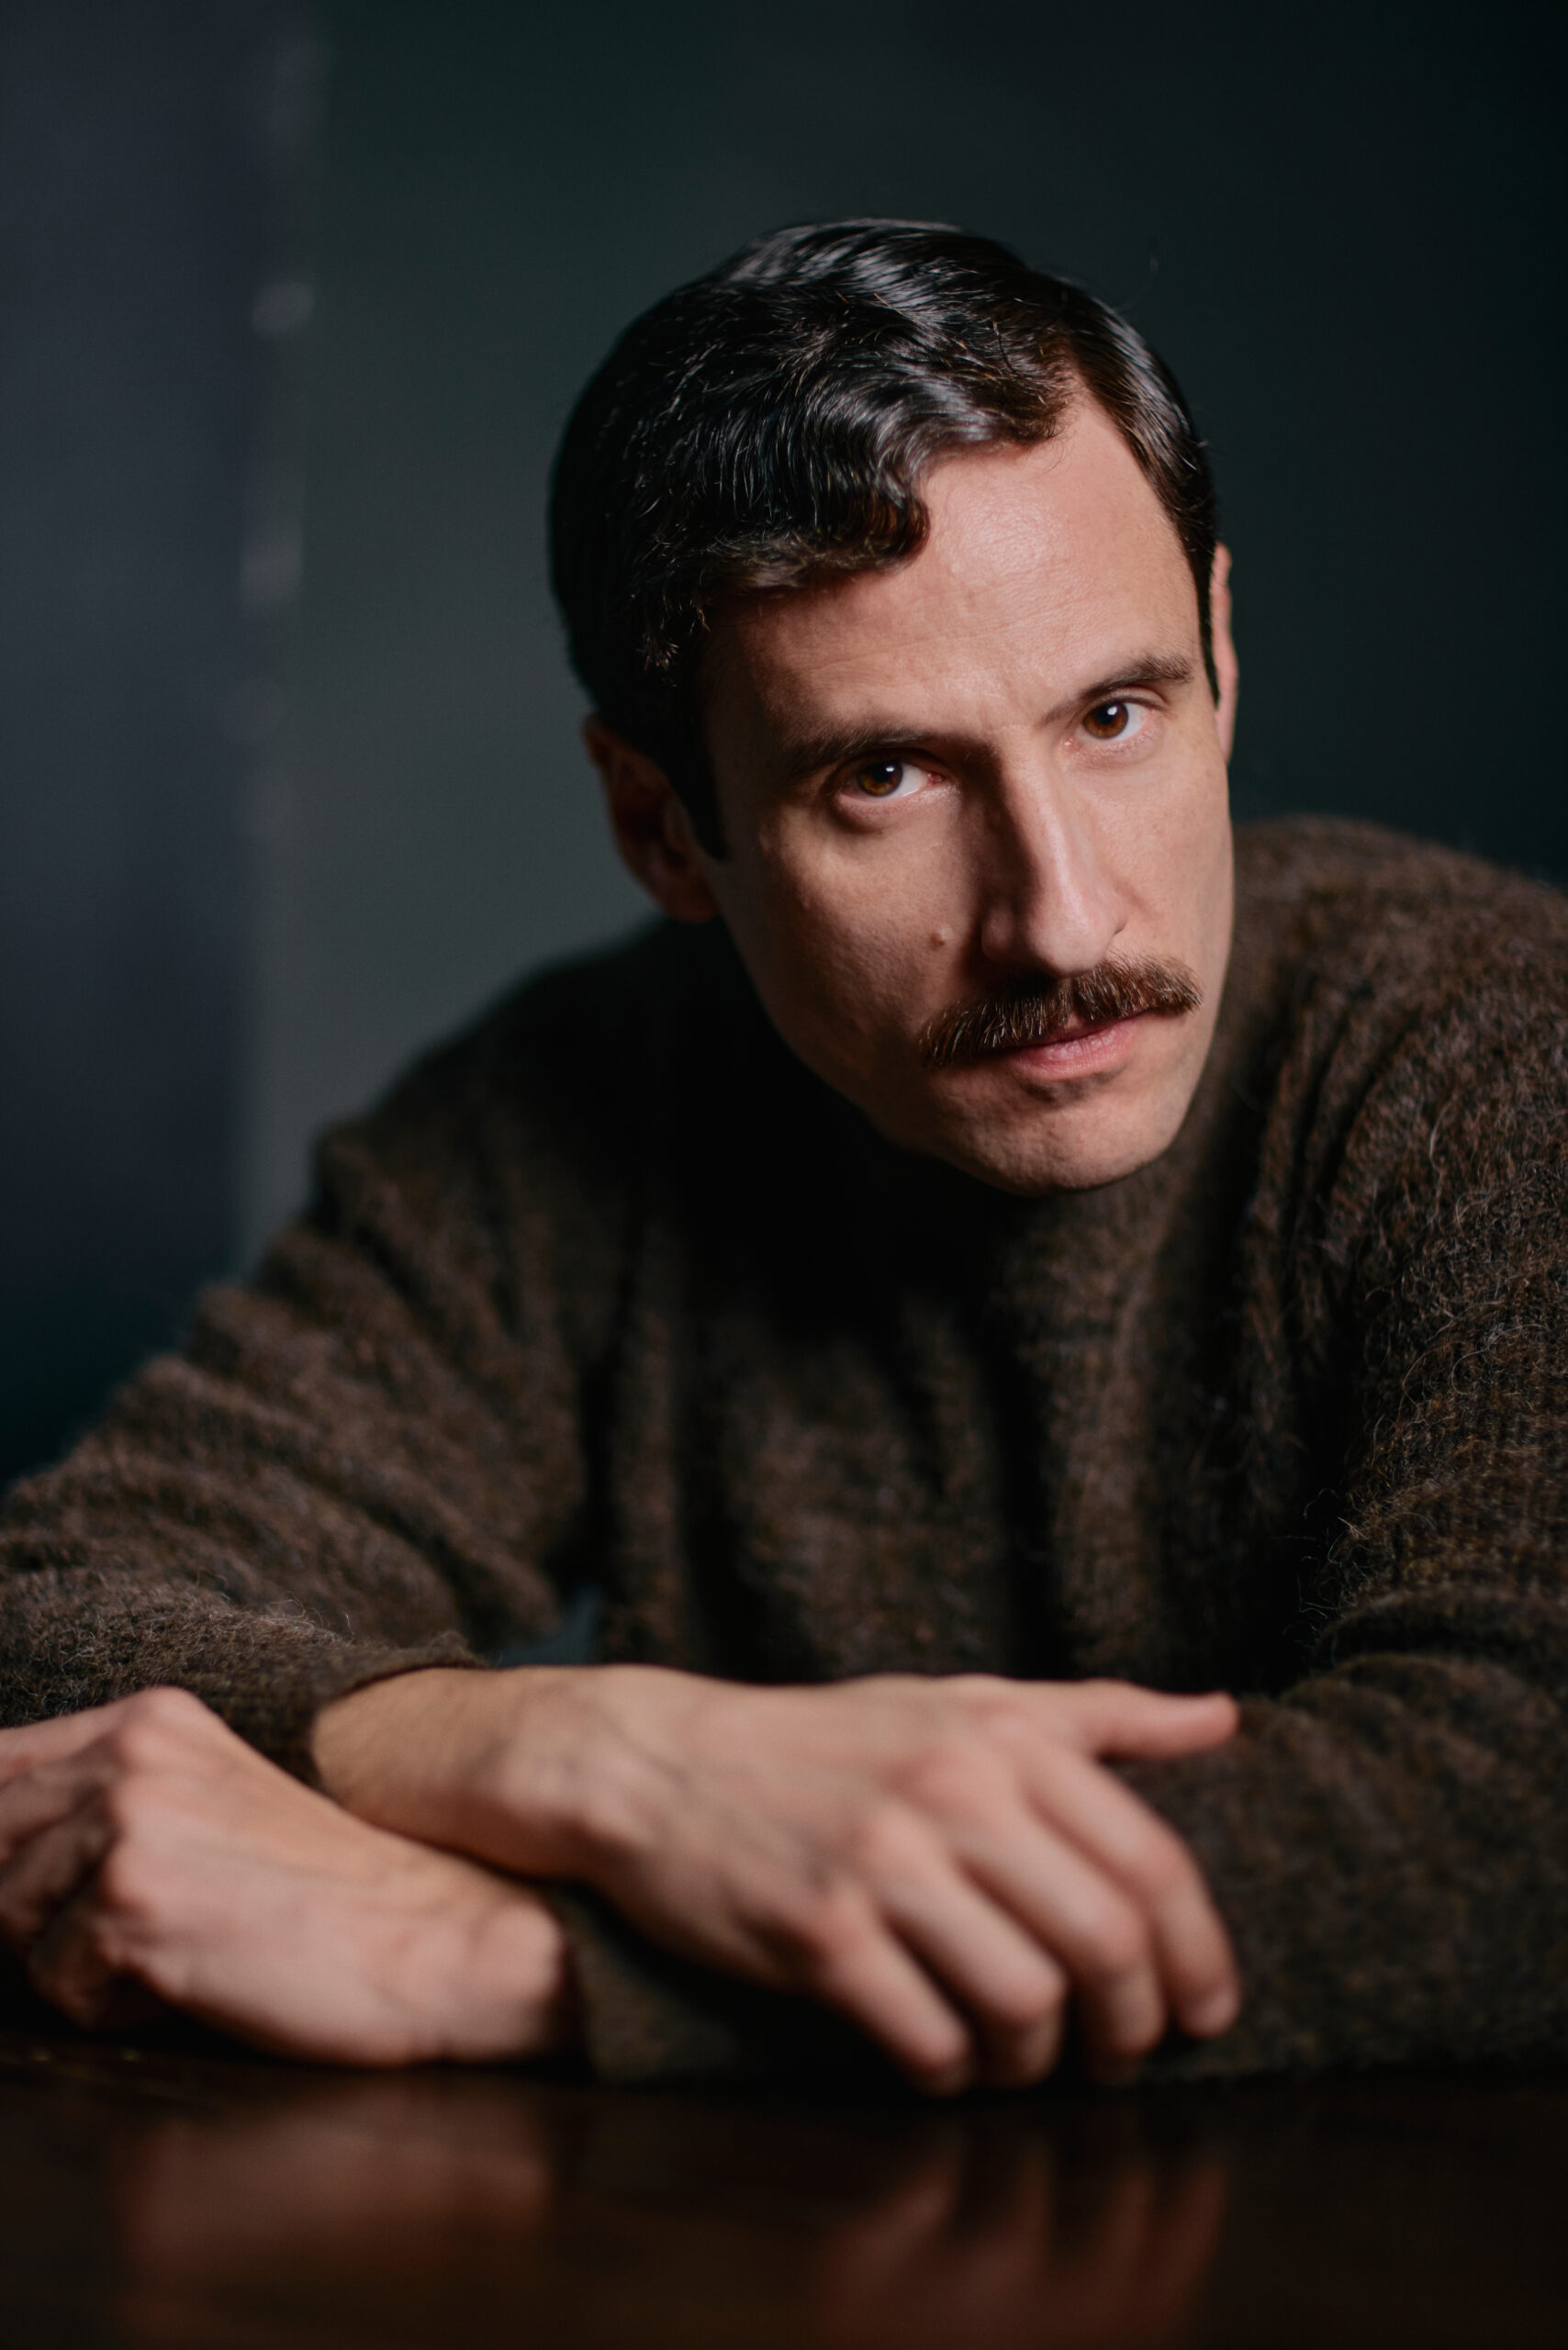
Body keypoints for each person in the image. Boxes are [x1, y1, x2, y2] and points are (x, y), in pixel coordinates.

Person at [1, 221, 1564, 2094]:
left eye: (1114, 714)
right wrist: (600, 1760)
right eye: (883, 777)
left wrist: (503, 1960)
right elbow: (57, 1634)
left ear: (1221, 653)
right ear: (663, 827)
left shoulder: (1496, 1049)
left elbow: (1520, 1808)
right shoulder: (579, 1106)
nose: (1064, 921)